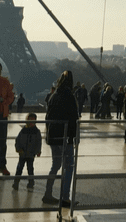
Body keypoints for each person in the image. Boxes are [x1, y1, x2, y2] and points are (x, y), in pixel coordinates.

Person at [43, 70, 79, 207]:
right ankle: (65, 197)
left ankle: (48, 193)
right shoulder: (69, 96)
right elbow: (73, 118)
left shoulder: (53, 96)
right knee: (69, 166)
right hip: (65, 137)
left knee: (55, 165)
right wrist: (73, 137)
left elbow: (48, 117)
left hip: (53, 136)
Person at [13, 112, 43, 190]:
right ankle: (16, 182)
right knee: (19, 168)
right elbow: (18, 140)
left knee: (30, 169)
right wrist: (18, 149)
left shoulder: (36, 132)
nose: (31, 123)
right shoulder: (23, 130)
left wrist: (38, 151)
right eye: (30, 120)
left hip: (31, 153)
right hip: (22, 153)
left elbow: (38, 142)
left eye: (33, 121)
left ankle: (31, 182)